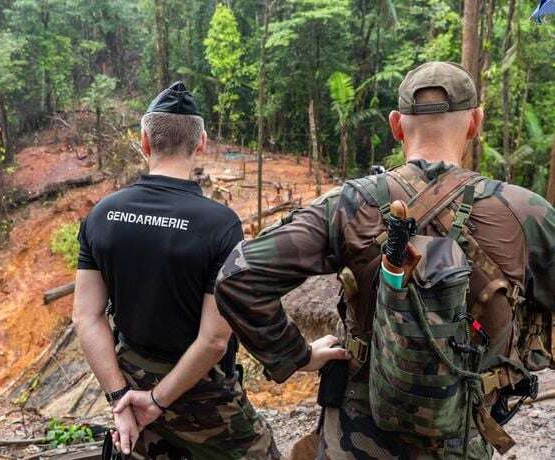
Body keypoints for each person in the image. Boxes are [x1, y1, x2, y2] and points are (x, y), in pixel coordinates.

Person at [215, 61, 555, 459]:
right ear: (475, 123)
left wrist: (295, 355)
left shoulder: (348, 204)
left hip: (355, 437)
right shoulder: (525, 212)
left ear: (396, 125)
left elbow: (238, 275)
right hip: (459, 436)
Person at [73, 82, 281, 459]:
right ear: (201, 142)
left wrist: (120, 397)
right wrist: (157, 399)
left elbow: (87, 317)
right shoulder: (220, 224)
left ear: (145, 142)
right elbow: (214, 340)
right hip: (203, 398)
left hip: (131, 391)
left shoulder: (102, 215)